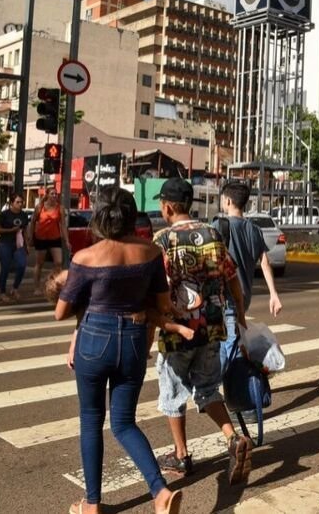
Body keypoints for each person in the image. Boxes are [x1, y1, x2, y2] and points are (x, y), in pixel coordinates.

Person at [52, 187, 183, 514]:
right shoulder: (151, 253)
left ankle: (92, 505)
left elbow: (60, 312)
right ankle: (160, 492)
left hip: (95, 340)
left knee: (91, 421)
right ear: (130, 216)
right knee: (124, 422)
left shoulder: (85, 258)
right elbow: (164, 304)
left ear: (99, 216)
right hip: (135, 340)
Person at [152, 177, 253, 484]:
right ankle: (233, 438)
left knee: (172, 393)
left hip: (177, 332)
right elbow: (232, 278)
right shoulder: (212, 233)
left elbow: (159, 287)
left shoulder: (163, 240)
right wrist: (241, 315)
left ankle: (181, 455)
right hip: (212, 329)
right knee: (207, 389)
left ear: (168, 206)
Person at [211, 181, 283, 375]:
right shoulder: (254, 230)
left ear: (227, 201)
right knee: (231, 341)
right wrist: (273, 294)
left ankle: (230, 392)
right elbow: (265, 262)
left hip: (225, 298)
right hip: (245, 296)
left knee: (227, 346)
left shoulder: (219, 225)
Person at [29, 186, 70, 294]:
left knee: (58, 262)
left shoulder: (60, 208)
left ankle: (55, 284)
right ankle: (36, 287)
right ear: (47, 195)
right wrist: (30, 237)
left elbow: (63, 225)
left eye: (56, 194)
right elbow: (33, 222)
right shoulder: (40, 207)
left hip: (54, 237)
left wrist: (66, 241)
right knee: (40, 263)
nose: (54, 196)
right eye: (52, 194)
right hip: (41, 237)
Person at [0, 193, 31, 302]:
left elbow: (25, 229)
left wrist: (27, 244)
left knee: (22, 265)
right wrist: (10, 230)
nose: (20, 204)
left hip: (19, 244)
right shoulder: (4, 214)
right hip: (5, 243)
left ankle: (15, 288)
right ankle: (2, 292)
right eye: (17, 202)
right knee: (5, 267)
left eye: (21, 202)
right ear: (11, 203)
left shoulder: (23, 215)